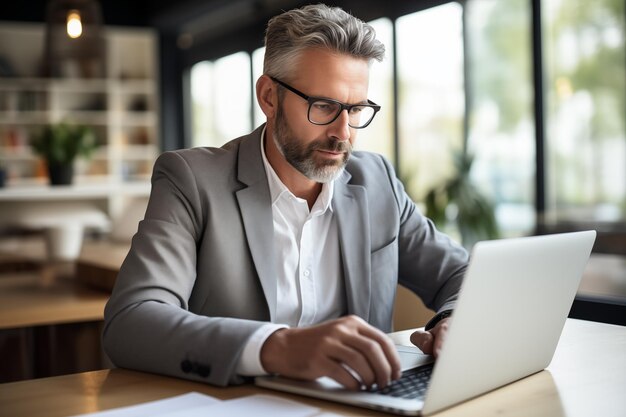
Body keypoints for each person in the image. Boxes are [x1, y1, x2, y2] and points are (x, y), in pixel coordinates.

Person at [103, 4, 468, 391]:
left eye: (356, 109)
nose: (343, 133)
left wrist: (455, 318)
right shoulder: (192, 181)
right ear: (269, 97)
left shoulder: (377, 182)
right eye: (324, 106)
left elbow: (461, 273)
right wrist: (275, 347)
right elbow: (131, 321)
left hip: (365, 404)